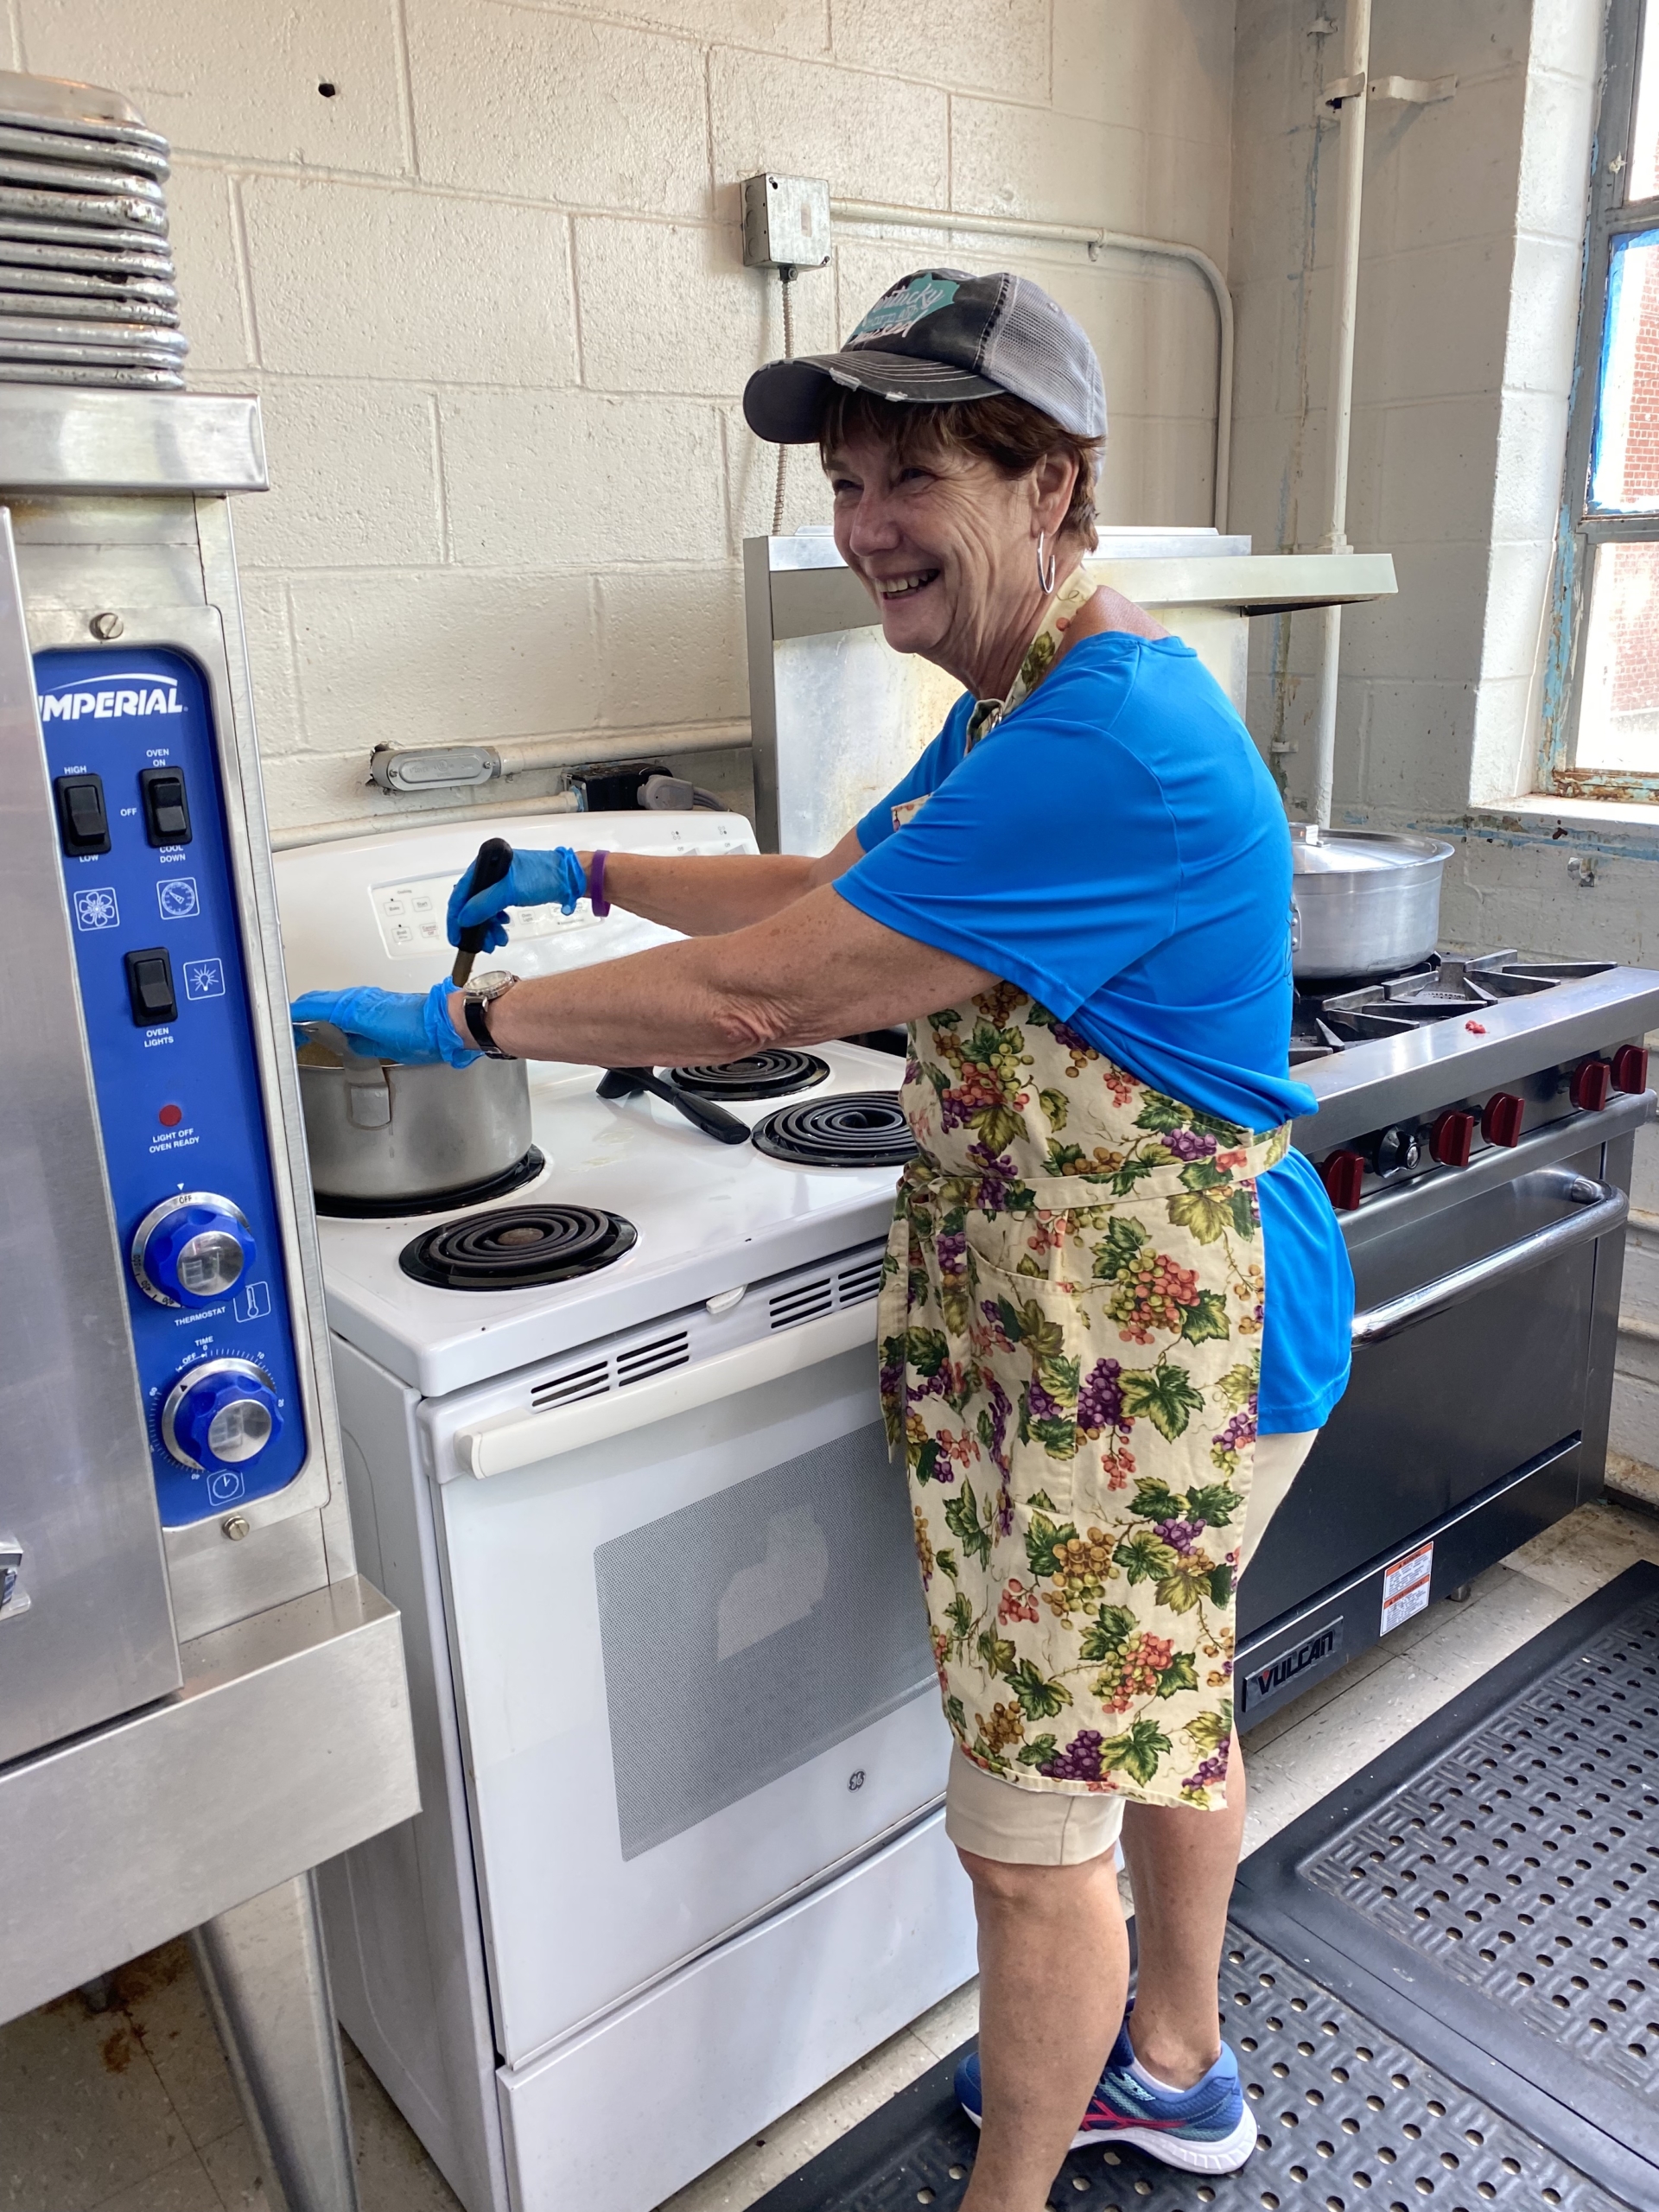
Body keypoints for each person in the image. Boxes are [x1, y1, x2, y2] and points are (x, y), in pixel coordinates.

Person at [293, 268, 1353, 2209]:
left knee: (1036, 1837)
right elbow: (835, 886)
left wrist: (461, 1024)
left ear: (1052, 483)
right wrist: (584, 865)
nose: (866, 523)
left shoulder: (1107, 735)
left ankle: (1019, 2184)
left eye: (914, 471)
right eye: (848, 477)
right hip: (1152, 1321)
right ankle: (1182, 2067)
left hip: (1154, 1356)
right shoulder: (1040, 696)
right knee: (1162, 1710)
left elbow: (750, 1003)